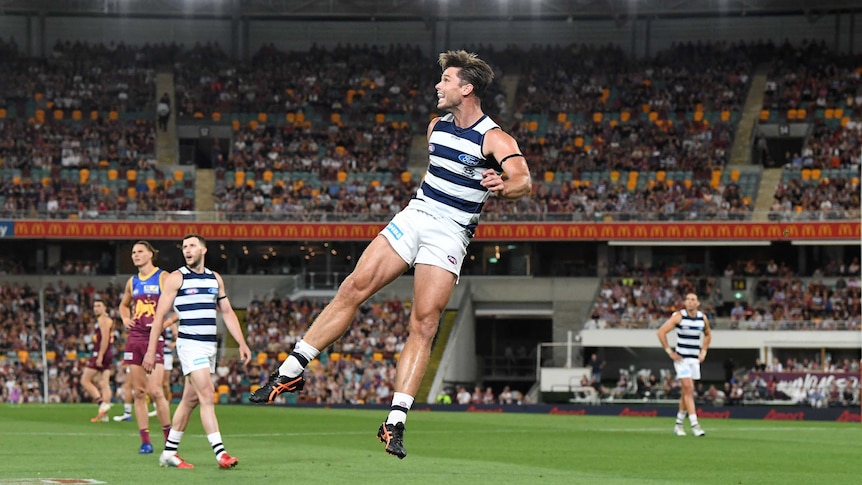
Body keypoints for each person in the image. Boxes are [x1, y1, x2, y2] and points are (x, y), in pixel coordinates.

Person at [249, 49, 532, 460]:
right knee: (353, 287)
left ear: (467, 88)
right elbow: (435, 176)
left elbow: (524, 179)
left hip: (451, 233)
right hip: (416, 215)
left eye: (447, 80)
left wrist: (504, 185)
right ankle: (291, 371)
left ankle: (394, 421)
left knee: (425, 323)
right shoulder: (435, 127)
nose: (439, 85)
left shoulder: (495, 137)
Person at [143, 234, 252, 470]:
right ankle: (221, 453)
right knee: (206, 393)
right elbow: (160, 316)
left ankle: (169, 452)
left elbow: (228, 312)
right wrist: (151, 350)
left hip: (209, 346)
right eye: (184, 247)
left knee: (189, 400)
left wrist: (242, 343)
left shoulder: (215, 279)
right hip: (189, 344)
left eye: (192, 245)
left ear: (203, 249)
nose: (187, 250)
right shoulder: (176, 278)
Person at [118, 241, 176, 453]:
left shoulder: (163, 277)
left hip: (155, 338)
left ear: (151, 254)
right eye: (133, 252)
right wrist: (125, 319)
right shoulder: (132, 282)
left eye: (140, 251)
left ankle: (170, 439)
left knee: (156, 390)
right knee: (139, 392)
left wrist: (166, 324)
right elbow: (123, 305)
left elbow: (180, 306)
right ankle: (145, 441)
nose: (136, 255)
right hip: (135, 338)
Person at [657, 293, 712, 437]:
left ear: (698, 303)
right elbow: (661, 332)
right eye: (687, 299)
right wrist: (670, 352)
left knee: (685, 393)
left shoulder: (702, 318)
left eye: (693, 299)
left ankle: (678, 424)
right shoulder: (679, 316)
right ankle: (695, 425)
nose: (689, 302)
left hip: (694, 359)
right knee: (689, 388)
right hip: (681, 359)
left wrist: (704, 351)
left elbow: (708, 334)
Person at [80, 298, 114, 423]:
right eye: (94, 306)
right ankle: (104, 415)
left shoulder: (103, 320)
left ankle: (102, 404)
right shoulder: (108, 320)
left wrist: (100, 355)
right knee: (103, 382)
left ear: (105, 308)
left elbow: (104, 339)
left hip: (101, 352)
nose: (96, 308)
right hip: (108, 353)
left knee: (85, 380)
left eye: (99, 305)